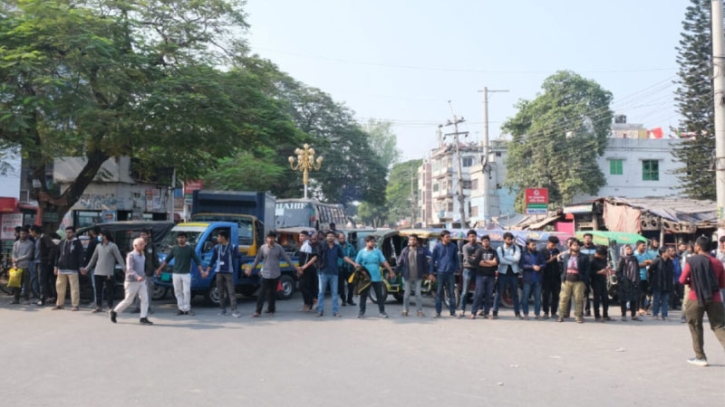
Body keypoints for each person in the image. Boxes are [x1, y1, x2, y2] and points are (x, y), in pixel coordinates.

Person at [680, 236, 725, 367]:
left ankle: (700, 357)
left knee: (695, 326)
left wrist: (692, 282)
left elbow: (682, 280)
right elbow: (722, 283)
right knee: (719, 326)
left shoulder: (692, 261)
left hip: (695, 297)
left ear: (698, 247)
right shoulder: (717, 262)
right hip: (715, 298)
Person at [245, 231, 299, 318]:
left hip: (275, 274)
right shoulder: (263, 248)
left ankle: (271, 309)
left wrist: (295, 268)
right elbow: (257, 260)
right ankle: (258, 311)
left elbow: (287, 258)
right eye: (269, 238)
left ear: (275, 239)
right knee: (261, 293)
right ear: (266, 238)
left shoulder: (279, 248)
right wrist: (251, 269)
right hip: (265, 274)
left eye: (272, 238)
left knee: (272, 293)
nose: (270, 239)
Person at [311, 231, 357, 317]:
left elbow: (344, 257)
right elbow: (315, 257)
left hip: (334, 273)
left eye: (332, 236)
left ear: (334, 238)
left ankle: (335, 311)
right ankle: (320, 311)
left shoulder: (337, 247)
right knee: (321, 292)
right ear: (326, 237)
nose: (330, 238)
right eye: (328, 236)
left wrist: (353, 263)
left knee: (334, 293)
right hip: (323, 273)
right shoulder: (321, 246)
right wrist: (307, 265)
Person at [156, 232, 204, 316]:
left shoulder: (190, 249)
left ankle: (187, 308)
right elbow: (167, 260)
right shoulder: (174, 249)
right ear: (177, 239)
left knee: (187, 291)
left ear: (185, 239)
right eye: (179, 237)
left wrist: (202, 271)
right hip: (176, 273)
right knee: (178, 291)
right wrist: (159, 269)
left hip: (186, 274)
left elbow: (197, 261)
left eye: (182, 237)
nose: (181, 239)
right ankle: (180, 308)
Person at [110, 238, 153, 325]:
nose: (143, 246)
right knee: (129, 300)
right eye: (141, 244)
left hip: (141, 281)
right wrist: (137, 277)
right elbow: (129, 269)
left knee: (145, 299)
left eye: (143, 244)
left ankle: (143, 317)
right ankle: (114, 311)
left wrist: (143, 276)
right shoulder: (131, 255)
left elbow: (142, 268)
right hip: (132, 281)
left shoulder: (143, 255)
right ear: (135, 246)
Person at [82, 230, 125, 312]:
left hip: (108, 272)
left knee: (109, 291)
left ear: (105, 236)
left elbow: (119, 258)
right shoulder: (98, 246)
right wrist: (86, 269)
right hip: (98, 271)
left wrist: (124, 269)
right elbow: (93, 259)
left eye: (101, 235)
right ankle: (98, 306)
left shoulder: (113, 246)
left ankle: (110, 306)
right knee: (98, 290)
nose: (100, 237)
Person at [355, 235, 395, 318]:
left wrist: (391, 271)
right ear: (367, 242)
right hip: (365, 277)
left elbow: (384, 262)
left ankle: (382, 311)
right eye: (371, 242)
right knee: (363, 295)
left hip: (376, 276)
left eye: (374, 241)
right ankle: (361, 312)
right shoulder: (361, 252)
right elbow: (356, 264)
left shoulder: (377, 252)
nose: (373, 243)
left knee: (379, 295)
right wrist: (362, 271)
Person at [206, 230, 240, 317]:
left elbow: (238, 257)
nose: (217, 238)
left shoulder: (232, 247)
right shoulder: (217, 247)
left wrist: (246, 266)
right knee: (220, 291)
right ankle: (222, 309)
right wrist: (208, 270)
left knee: (231, 291)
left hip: (228, 272)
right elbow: (213, 259)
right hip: (219, 271)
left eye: (218, 237)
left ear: (223, 238)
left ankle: (234, 310)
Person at [395, 234, 431, 317]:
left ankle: (419, 311)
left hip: (418, 276)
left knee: (418, 294)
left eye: (414, 239)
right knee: (407, 294)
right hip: (408, 276)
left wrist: (428, 274)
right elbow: (400, 263)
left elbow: (425, 264)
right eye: (411, 239)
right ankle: (405, 310)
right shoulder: (405, 250)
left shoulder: (421, 251)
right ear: (409, 241)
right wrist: (394, 272)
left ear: (416, 241)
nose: (412, 241)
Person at [557, 239, 590, 323]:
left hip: (579, 281)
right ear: (570, 246)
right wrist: (558, 260)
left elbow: (587, 270)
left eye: (578, 245)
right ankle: (561, 316)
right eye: (574, 245)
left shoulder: (584, 257)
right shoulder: (567, 256)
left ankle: (578, 316)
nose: (576, 246)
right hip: (566, 281)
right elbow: (562, 268)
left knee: (578, 300)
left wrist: (584, 281)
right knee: (563, 299)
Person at [53, 226, 84, 311]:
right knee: (59, 287)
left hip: (73, 268)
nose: (68, 234)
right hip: (61, 268)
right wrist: (55, 266)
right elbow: (57, 255)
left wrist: (81, 266)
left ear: (74, 233)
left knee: (74, 288)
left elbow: (81, 255)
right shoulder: (62, 242)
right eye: (67, 232)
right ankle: (59, 304)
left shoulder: (77, 243)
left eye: (70, 232)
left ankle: (75, 305)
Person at [430, 229, 460, 318]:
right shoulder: (437, 247)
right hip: (440, 273)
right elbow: (432, 261)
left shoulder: (453, 246)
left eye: (449, 236)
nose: (449, 238)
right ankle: (438, 312)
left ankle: (452, 312)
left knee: (451, 293)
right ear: (442, 238)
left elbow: (456, 259)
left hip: (450, 273)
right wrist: (431, 273)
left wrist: (455, 269)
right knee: (439, 293)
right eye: (447, 237)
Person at [492, 232, 521, 320]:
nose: (510, 241)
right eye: (508, 239)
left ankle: (517, 313)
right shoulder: (500, 248)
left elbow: (517, 259)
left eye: (511, 239)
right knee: (498, 293)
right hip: (502, 273)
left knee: (515, 294)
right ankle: (495, 312)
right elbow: (500, 260)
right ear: (504, 240)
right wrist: (511, 259)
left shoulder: (516, 248)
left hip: (514, 273)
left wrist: (506, 257)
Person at [470, 235, 499, 319]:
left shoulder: (494, 251)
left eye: (487, 241)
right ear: (482, 243)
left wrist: (485, 261)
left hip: (491, 276)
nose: (486, 242)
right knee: (478, 294)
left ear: (489, 242)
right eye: (484, 241)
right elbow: (476, 262)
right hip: (480, 276)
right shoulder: (479, 251)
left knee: (489, 295)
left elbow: (496, 262)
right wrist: (491, 263)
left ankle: (486, 313)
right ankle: (473, 312)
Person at [132, 230, 160, 314]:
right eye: (141, 234)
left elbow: (155, 258)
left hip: (148, 271)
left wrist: (157, 268)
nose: (142, 236)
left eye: (144, 234)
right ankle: (137, 306)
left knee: (148, 290)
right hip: (138, 271)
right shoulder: (136, 245)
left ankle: (147, 306)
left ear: (148, 235)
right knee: (137, 289)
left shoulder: (151, 246)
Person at [520, 238, 545, 320]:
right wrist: (532, 267)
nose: (534, 246)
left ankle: (537, 314)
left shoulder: (539, 254)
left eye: (535, 245)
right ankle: (526, 314)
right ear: (527, 246)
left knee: (537, 298)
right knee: (525, 297)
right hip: (527, 279)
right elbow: (522, 265)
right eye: (532, 245)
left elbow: (544, 263)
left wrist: (539, 267)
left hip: (537, 279)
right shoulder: (523, 254)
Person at [457, 230, 480, 317]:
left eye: (474, 236)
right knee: (465, 291)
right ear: (468, 238)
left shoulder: (479, 247)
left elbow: (478, 258)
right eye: (470, 236)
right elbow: (468, 259)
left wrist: (474, 259)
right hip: (467, 270)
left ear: (476, 237)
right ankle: (462, 309)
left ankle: (479, 309)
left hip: (477, 270)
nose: (472, 238)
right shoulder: (465, 247)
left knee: (478, 291)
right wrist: (475, 259)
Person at [649, 246, 675, 321]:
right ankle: (655, 314)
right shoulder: (657, 261)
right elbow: (650, 270)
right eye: (667, 251)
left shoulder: (670, 262)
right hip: (658, 283)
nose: (669, 253)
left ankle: (665, 315)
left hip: (667, 284)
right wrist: (653, 279)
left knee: (665, 300)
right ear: (663, 253)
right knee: (656, 300)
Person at [616, 244, 641, 321]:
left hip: (633, 281)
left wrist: (637, 279)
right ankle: (623, 315)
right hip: (625, 282)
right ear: (624, 250)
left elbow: (637, 270)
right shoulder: (622, 259)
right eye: (627, 249)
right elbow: (618, 271)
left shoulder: (634, 259)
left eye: (630, 249)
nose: (629, 250)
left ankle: (633, 315)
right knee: (623, 299)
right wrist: (622, 279)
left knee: (634, 299)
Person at [10, 226, 34, 305]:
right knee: (17, 283)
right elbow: (13, 254)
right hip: (17, 266)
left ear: (27, 234)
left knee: (26, 283)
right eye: (21, 234)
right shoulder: (16, 243)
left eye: (24, 234)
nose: (22, 235)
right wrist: (14, 264)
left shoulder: (30, 243)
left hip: (26, 266)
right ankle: (16, 299)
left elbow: (29, 255)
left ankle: (26, 299)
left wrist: (18, 259)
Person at [296, 231, 318, 312]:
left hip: (307, 269)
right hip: (303, 268)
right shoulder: (303, 245)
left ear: (306, 237)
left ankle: (312, 300)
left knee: (303, 286)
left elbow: (306, 258)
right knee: (305, 286)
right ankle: (308, 303)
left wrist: (302, 269)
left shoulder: (307, 245)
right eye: (299, 236)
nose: (300, 238)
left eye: (302, 236)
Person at [540, 236, 561, 320]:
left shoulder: (556, 251)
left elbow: (559, 262)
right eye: (552, 245)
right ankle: (545, 312)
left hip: (556, 277)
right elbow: (540, 263)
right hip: (546, 277)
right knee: (546, 295)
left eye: (555, 245)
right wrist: (549, 260)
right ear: (548, 243)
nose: (553, 247)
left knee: (556, 295)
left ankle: (554, 312)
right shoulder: (542, 251)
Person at [590, 245, 612, 322]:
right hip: (595, 280)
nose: (604, 257)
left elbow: (604, 266)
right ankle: (597, 315)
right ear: (598, 254)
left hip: (603, 280)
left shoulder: (603, 259)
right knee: (597, 299)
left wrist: (606, 269)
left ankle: (605, 315)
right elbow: (588, 272)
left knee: (606, 298)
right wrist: (598, 272)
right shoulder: (591, 260)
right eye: (603, 255)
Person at [633, 240, 654, 316]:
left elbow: (650, 261)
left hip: (644, 276)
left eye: (645, 246)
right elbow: (635, 265)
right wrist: (644, 264)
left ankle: (641, 308)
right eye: (643, 245)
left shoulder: (645, 254)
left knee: (643, 294)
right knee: (638, 293)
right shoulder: (634, 255)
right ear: (638, 246)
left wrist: (647, 262)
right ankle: (637, 309)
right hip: (637, 276)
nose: (644, 247)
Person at [337, 232, 357, 306]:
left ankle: (350, 299)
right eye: (340, 238)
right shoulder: (337, 246)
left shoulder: (350, 246)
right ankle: (343, 300)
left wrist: (352, 259)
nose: (342, 239)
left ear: (345, 238)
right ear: (338, 239)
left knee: (351, 285)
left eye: (343, 238)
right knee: (341, 286)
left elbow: (355, 255)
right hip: (340, 268)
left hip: (349, 268)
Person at [579, 233, 596, 316]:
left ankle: (596, 312)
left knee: (595, 292)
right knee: (584, 292)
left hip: (595, 272)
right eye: (586, 238)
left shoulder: (596, 249)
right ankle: (585, 310)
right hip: (584, 273)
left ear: (592, 239)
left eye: (589, 238)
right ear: (583, 239)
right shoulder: (580, 249)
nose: (587, 239)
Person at [84, 226, 100, 308]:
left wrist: (86, 266)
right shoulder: (101, 241)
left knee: (95, 284)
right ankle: (98, 301)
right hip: (100, 265)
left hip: (94, 265)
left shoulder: (93, 241)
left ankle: (96, 301)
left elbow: (88, 254)